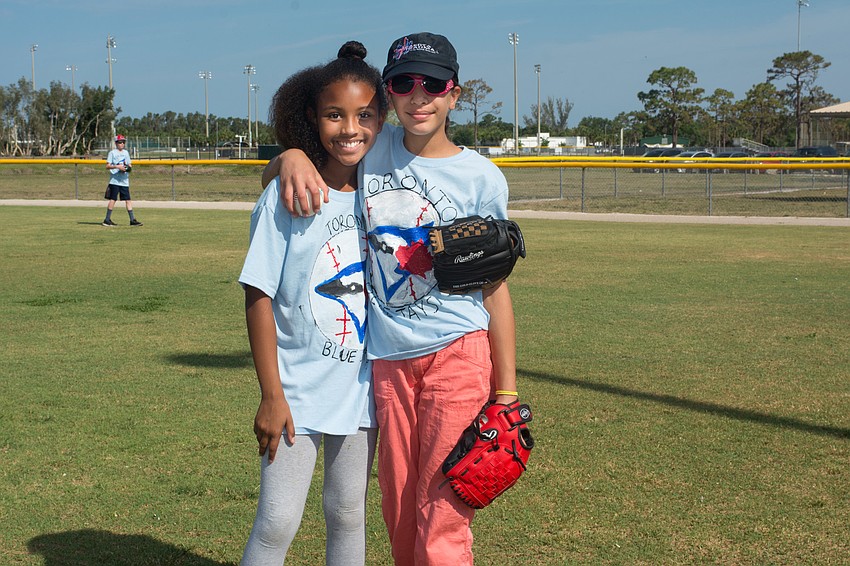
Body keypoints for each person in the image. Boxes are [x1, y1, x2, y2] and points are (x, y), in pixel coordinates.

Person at [264, 32, 520, 566]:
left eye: (433, 84)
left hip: (457, 351)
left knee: (442, 514)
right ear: (388, 96)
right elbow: (296, 171)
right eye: (404, 83)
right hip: (388, 362)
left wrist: (506, 393)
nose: (419, 96)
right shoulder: (373, 147)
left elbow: (495, 288)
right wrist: (288, 156)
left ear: (455, 94)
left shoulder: (481, 177)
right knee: (399, 512)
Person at [238, 41, 386, 566]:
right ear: (311, 117)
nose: (350, 129)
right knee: (277, 522)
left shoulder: (381, 191)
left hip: (362, 393)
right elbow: (258, 294)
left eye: (364, 115)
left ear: (381, 118)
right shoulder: (290, 193)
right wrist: (271, 394)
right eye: (334, 115)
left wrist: (284, 156)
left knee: (348, 514)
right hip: (295, 395)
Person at [102, 134, 142, 226]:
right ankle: (107, 219)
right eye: (120, 142)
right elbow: (107, 166)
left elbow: (129, 165)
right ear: (116, 143)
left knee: (128, 200)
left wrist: (126, 168)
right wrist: (117, 167)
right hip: (115, 181)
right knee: (113, 199)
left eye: (123, 142)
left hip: (124, 181)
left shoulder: (126, 153)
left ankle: (132, 220)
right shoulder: (112, 153)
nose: (122, 144)